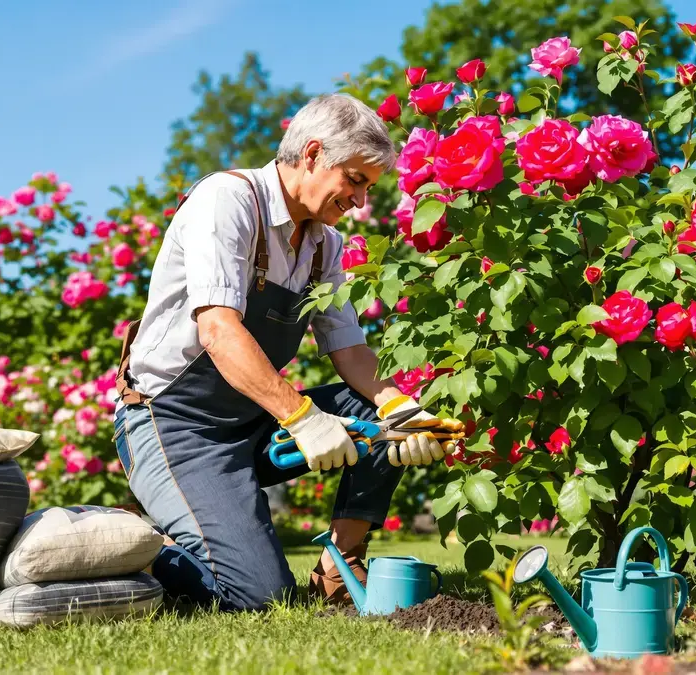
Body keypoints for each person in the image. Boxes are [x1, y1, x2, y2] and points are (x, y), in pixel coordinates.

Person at [113, 93, 464, 611]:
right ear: (314, 153)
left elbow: (348, 349)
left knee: (371, 409)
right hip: (173, 425)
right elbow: (218, 330)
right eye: (356, 180)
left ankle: (339, 567)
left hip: (251, 422)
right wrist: (303, 417)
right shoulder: (227, 201)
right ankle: (134, 544)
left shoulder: (325, 245)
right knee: (256, 596)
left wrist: (403, 410)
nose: (361, 201)